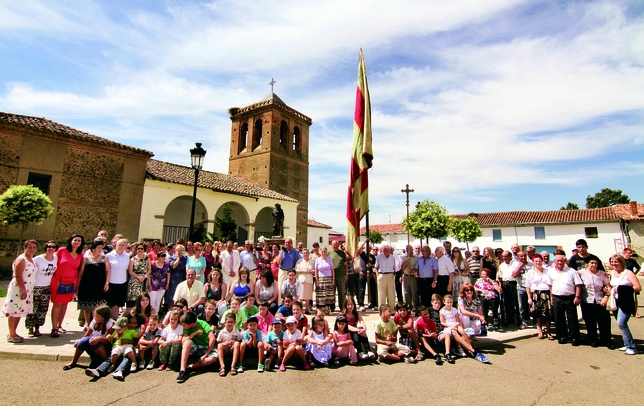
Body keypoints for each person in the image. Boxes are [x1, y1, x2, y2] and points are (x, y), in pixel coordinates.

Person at [2, 240, 38, 343]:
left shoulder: (31, 259)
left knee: (19, 311)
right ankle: (11, 334)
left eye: (34, 247)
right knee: (14, 311)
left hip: (27, 289)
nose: (32, 249)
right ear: (25, 248)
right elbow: (17, 276)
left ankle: (13, 332)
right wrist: (22, 290)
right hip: (19, 288)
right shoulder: (21, 260)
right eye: (29, 247)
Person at [439, 295, 490, 363]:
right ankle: (471, 351)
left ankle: (469, 348)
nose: (449, 304)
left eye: (451, 302)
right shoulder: (442, 311)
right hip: (448, 327)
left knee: (462, 330)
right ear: (444, 302)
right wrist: (452, 325)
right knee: (454, 332)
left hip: (456, 325)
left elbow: (458, 320)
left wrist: (457, 324)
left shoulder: (454, 310)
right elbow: (443, 322)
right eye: (448, 302)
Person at [84, 316, 138, 380]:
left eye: (119, 329)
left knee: (127, 356)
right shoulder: (115, 333)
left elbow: (136, 341)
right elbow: (111, 341)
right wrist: (110, 339)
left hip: (127, 347)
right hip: (117, 348)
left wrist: (128, 341)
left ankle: (120, 371)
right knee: (110, 358)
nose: (117, 330)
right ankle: (98, 370)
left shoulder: (131, 332)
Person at [51, 234, 85, 337]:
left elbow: (80, 272)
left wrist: (77, 286)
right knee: (57, 304)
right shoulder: (62, 251)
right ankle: (54, 328)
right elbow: (52, 261)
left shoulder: (80, 256)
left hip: (71, 282)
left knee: (65, 304)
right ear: (71, 241)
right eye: (75, 240)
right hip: (58, 281)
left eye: (79, 241)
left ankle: (60, 325)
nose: (77, 242)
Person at [608, 254, 641, 355]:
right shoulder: (612, 273)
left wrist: (622, 290)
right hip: (615, 301)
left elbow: (638, 287)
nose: (614, 264)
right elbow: (611, 285)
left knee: (621, 323)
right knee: (621, 323)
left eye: (616, 262)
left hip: (626, 301)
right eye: (612, 262)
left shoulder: (628, 273)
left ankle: (632, 347)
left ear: (621, 262)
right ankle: (627, 344)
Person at [64, 305, 114, 370]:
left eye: (96, 316)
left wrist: (100, 339)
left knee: (93, 341)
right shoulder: (94, 322)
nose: (94, 317)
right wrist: (79, 341)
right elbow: (87, 334)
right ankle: (73, 361)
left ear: (103, 317)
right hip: (93, 344)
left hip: (104, 346)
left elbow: (108, 341)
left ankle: (105, 361)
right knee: (84, 341)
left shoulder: (111, 324)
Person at [547, 254, 583, 346]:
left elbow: (578, 285)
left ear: (565, 261)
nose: (559, 262)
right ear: (554, 262)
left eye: (561, 261)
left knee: (572, 318)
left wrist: (577, 297)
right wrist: (551, 298)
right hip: (557, 297)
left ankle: (574, 337)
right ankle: (562, 336)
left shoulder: (571, 271)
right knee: (559, 318)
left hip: (569, 297)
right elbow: (550, 286)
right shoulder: (550, 272)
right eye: (557, 261)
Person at [25, 240, 58, 337]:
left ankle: (37, 327)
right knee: (33, 309)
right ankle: (30, 328)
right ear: (45, 248)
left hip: (46, 287)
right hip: (36, 287)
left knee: (43, 309)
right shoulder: (38, 259)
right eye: (49, 246)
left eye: (53, 247)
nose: (51, 248)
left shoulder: (55, 258)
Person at [176, 311, 218, 383]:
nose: (182, 326)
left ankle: (190, 367)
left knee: (214, 358)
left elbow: (212, 338)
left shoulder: (203, 324)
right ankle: (182, 370)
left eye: (184, 325)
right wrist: (195, 333)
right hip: (194, 347)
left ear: (191, 324)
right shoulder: (185, 324)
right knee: (187, 343)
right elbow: (184, 340)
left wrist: (206, 354)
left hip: (204, 348)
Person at [578, 258, 612, 348]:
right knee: (590, 321)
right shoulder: (580, 273)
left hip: (600, 301)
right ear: (587, 264)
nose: (594, 265)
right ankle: (593, 339)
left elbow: (608, 286)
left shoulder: (602, 274)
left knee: (604, 321)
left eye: (596, 263)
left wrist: (607, 296)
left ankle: (606, 340)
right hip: (587, 300)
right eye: (592, 263)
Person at [77, 240, 109, 329]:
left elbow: (108, 271)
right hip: (86, 284)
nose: (100, 249)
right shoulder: (86, 259)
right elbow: (81, 273)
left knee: (97, 306)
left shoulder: (104, 258)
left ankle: (95, 323)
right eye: (98, 248)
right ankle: (87, 323)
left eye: (101, 248)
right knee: (86, 306)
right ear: (93, 249)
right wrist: (78, 286)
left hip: (99, 285)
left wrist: (107, 283)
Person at [525, 255, 553, 340]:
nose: (538, 263)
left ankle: (548, 332)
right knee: (538, 314)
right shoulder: (530, 272)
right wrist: (529, 297)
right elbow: (528, 286)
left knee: (547, 314)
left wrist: (551, 297)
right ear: (533, 262)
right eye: (536, 261)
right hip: (535, 294)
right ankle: (540, 331)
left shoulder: (548, 271)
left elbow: (551, 285)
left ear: (542, 261)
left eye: (539, 261)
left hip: (546, 293)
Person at [342, 295, 374, 360]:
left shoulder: (357, 313)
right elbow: (347, 326)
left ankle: (368, 350)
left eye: (351, 304)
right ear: (345, 305)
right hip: (348, 333)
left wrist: (364, 329)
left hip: (356, 331)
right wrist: (357, 330)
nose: (350, 306)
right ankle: (360, 352)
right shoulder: (343, 315)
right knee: (356, 332)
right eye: (348, 305)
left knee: (361, 330)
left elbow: (361, 321)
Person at [105, 238, 131, 319]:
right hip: (111, 282)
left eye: (123, 245)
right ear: (116, 245)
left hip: (122, 283)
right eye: (119, 245)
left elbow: (127, 269)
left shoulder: (127, 256)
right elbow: (107, 270)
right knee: (109, 302)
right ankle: (107, 318)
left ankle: (112, 318)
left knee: (117, 303)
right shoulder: (109, 256)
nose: (121, 247)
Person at [497, 250, 521, 327]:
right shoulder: (501, 265)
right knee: (506, 303)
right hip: (505, 284)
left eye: (506, 256)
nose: (504, 258)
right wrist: (500, 286)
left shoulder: (516, 264)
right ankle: (509, 320)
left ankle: (518, 320)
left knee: (516, 303)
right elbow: (500, 277)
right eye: (503, 256)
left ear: (510, 256)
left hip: (513, 284)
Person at [127, 242, 151, 311]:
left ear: (144, 249)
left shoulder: (147, 259)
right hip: (134, 282)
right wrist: (138, 277)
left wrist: (144, 276)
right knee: (132, 301)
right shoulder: (133, 259)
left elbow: (149, 270)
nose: (140, 250)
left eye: (141, 248)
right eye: (138, 248)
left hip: (144, 281)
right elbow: (130, 271)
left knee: (142, 299)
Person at [165, 244, 188, 311]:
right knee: (172, 296)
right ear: (175, 250)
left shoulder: (186, 258)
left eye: (181, 250)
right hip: (174, 278)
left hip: (182, 277)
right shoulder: (171, 257)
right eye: (178, 250)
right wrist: (178, 258)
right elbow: (173, 266)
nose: (180, 252)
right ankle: (170, 312)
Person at [357, 240, 377, 310]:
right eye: (367, 247)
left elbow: (374, 264)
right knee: (362, 289)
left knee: (373, 289)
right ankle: (361, 305)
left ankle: (374, 304)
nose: (369, 249)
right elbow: (359, 249)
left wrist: (371, 265)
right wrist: (364, 241)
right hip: (363, 273)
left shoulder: (372, 256)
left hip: (370, 274)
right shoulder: (363, 254)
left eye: (370, 248)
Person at [148, 251, 169, 316]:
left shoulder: (166, 264)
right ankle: (151, 315)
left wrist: (167, 283)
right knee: (152, 302)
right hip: (153, 285)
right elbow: (149, 274)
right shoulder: (153, 264)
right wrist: (149, 284)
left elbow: (168, 274)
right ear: (158, 257)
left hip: (162, 286)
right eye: (162, 256)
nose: (163, 258)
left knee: (158, 301)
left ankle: (156, 315)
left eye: (164, 257)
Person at [314, 247, 335, 312]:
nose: (323, 253)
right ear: (320, 252)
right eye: (322, 252)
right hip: (321, 279)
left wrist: (333, 279)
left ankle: (329, 309)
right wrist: (317, 280)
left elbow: (332, 270)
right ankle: (321, 309)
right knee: (321, 294)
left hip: (328, 279)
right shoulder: (317, 260)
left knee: (329, 294)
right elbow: (316, 271)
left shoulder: (329, 259)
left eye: (324, 252)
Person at [295, 249, 315, 314]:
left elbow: (315, 270)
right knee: (301, 296)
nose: (305, 254)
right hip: (301, 279)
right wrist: (304, 271)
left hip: (309, 280)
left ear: (309, 254)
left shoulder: (312, 261)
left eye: (306, 253)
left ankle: (306, 309)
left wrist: (311, 271)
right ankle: (301, 309)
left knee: (308, 296)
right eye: (304, 253)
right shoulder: (299, 261)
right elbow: (296, 271)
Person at [400, 245, 420, 310]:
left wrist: (412, 270)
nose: (408, 250)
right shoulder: (403, 257)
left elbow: (418, 268)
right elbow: (402, 267)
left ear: (412, 250)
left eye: (409, 249)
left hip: (413, 276)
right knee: (406, 292)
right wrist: (406, 262)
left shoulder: (416, 257)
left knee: (414, 292)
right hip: (406, 276)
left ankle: (416, 307)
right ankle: (408, 307)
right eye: (407, 249)